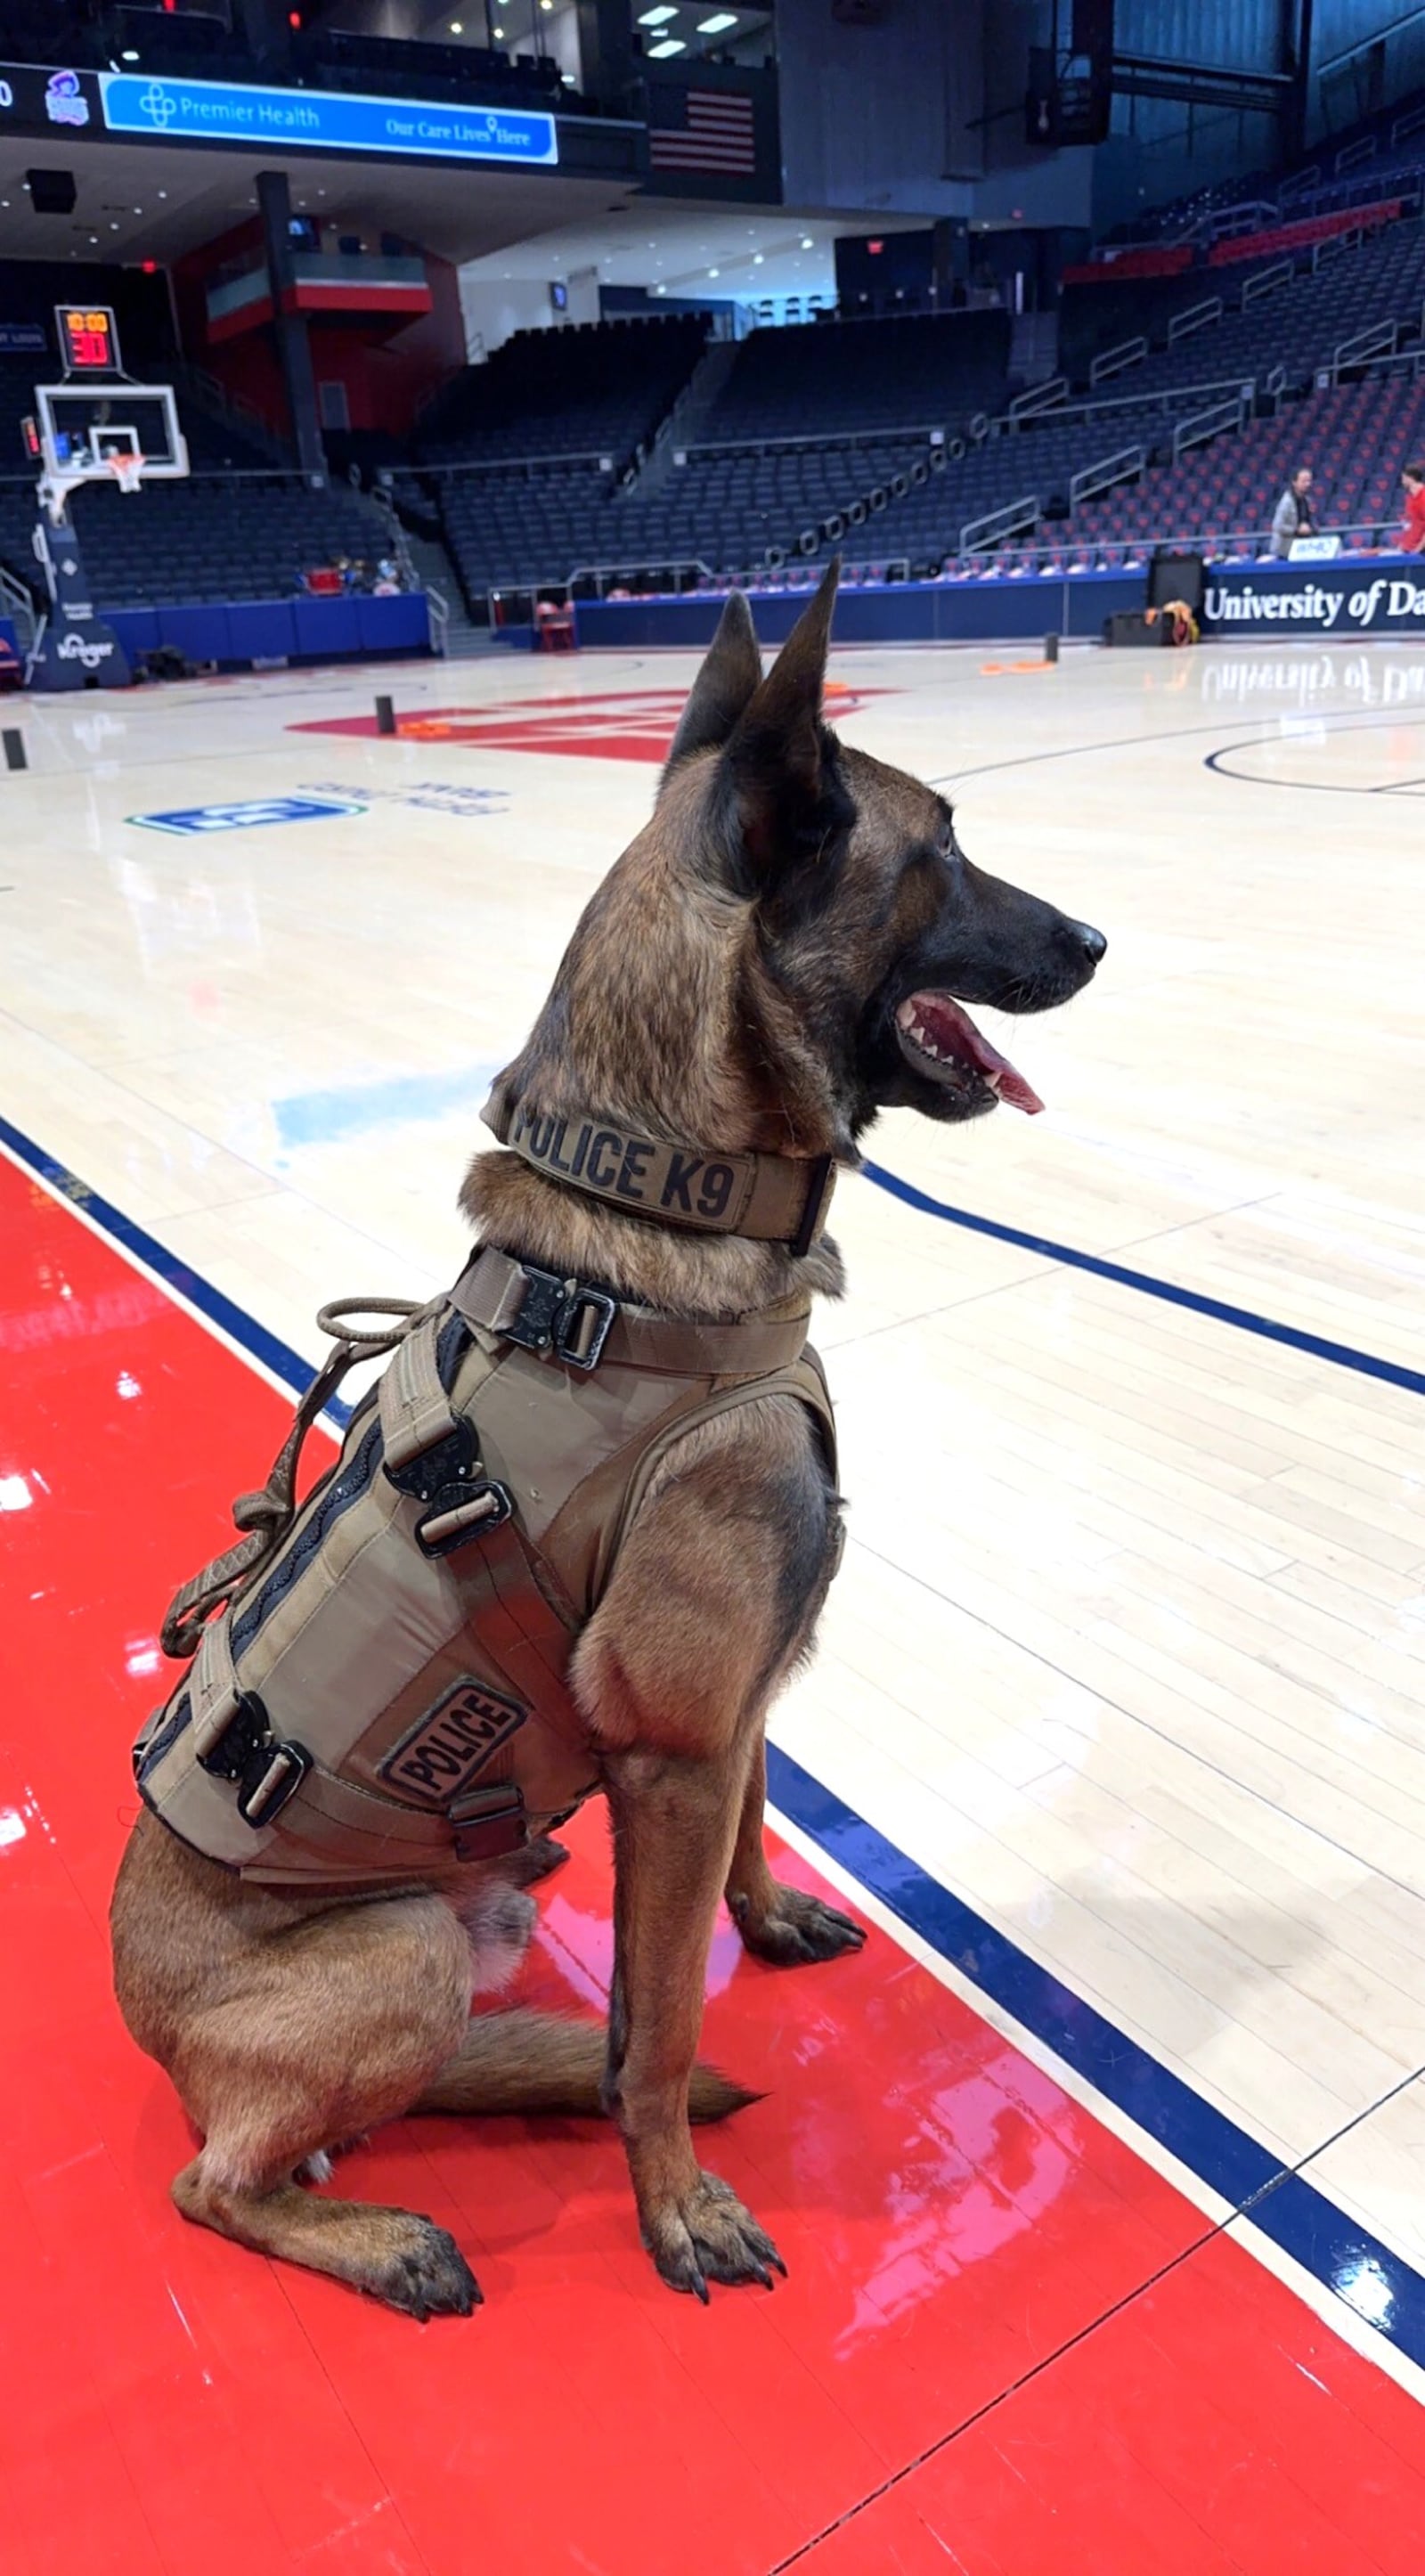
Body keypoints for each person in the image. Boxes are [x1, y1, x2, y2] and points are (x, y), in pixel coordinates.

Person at [1271, 467, 1317, 557]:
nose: (1308, 484)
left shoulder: (1308, 500)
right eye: (1304, 481)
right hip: (1284, 551)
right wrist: (1297, 530)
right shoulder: (1286, 502)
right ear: (1294, 482)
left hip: (1303, 548)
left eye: (1309, 481)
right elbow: (1277, 526)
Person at [1399, 463, 1425, 555]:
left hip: (1420, 552)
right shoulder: (1409, 498)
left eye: (1403, 478)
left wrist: (1418, 549)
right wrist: (1403, 545)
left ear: (1410, 478)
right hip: (1408, 550)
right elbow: (1409, 523)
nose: (1402, 482)